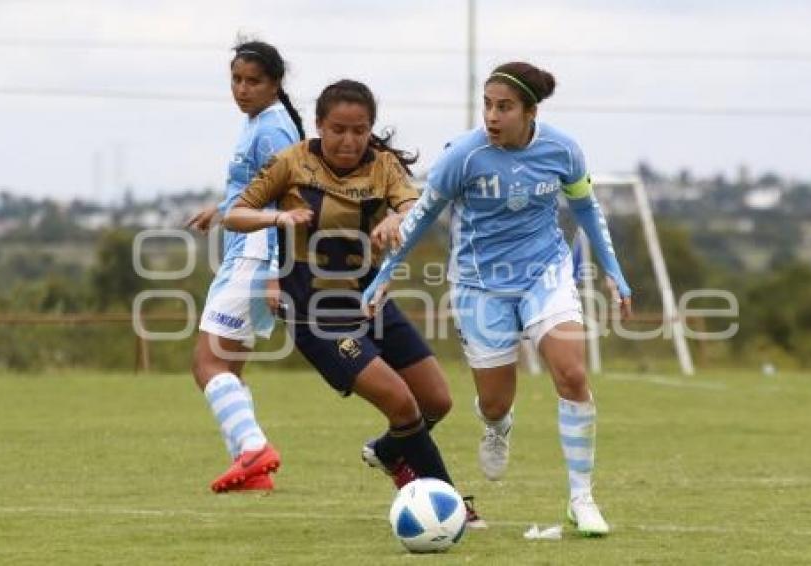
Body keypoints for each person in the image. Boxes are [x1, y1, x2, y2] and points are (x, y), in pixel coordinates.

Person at [363, 62, 632, 536]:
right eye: (487, 104)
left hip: (545, 273)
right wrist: (385, 274)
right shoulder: (463, 157)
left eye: (504, 107)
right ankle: (497, 425)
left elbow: (586, 206)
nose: (492, 115)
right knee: (493, 401)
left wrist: (614, 273)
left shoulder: (563, 150)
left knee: (571, 373)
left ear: (530, 112)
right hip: (478, 284)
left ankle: (582, 497)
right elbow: (422, 216)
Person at [223, 79, 484, 526]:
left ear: (370, 129)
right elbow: (235, 213)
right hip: (316, 311)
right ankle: (450, 504)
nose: (348, 140)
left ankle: (387, 451)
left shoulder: (382, 166)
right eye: (338, 129)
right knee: (401, 405)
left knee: (436, 401)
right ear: (320, 126)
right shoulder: (291, 162)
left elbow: (414, 207)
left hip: (369, 301)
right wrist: (279, 216)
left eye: (359, 130)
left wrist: (397, 220)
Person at [187, 40, 305, 493]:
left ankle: (253, 448)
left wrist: (275, 272)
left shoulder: (272, 130)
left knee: (207, 364)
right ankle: (250, 470)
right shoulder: (261, 123)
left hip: (256, 255)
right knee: (229, 368)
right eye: (236, 79)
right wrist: (220, 208)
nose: (242, 88)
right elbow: (258, 190)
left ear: (275, 84)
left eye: (253, 81)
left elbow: (287, 202)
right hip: (253, 251)